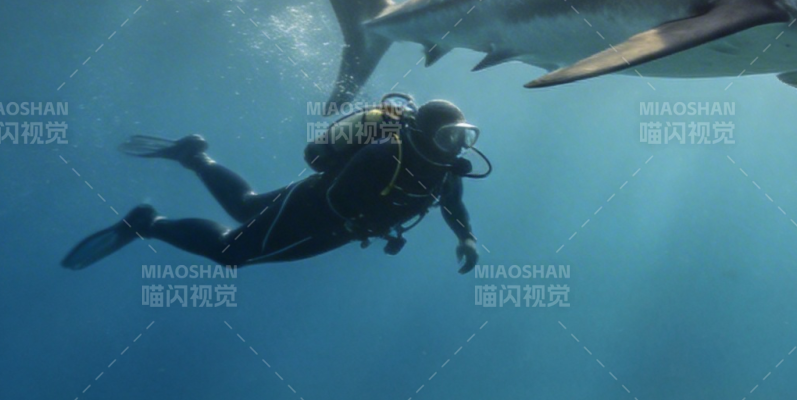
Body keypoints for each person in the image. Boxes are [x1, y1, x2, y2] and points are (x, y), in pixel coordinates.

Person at [61, 97, 483, 273]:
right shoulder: (386, 153)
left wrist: (466, 238)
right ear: (426, 134)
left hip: (332, 217)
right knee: (233, 253)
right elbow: (338, 196)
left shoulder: (443, 168)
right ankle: (147, 222)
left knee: (245, 204)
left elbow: (453, 205)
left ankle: (194, 155)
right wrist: (358, 224)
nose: (457, 145)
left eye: (464, 135)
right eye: (449, 136)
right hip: (318, 213)